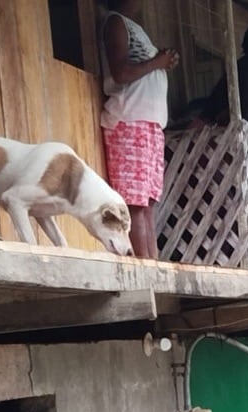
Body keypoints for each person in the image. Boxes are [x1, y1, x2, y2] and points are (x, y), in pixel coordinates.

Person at [100, 0, 179, 258]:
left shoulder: (135, 28)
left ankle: (153, 266)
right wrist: (157, 62)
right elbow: (120, 73)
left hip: (149, 125)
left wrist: (161, 62)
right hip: (129, 122)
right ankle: (145, 268)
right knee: (134, 203)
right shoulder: (116, 23)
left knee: (146, 205)